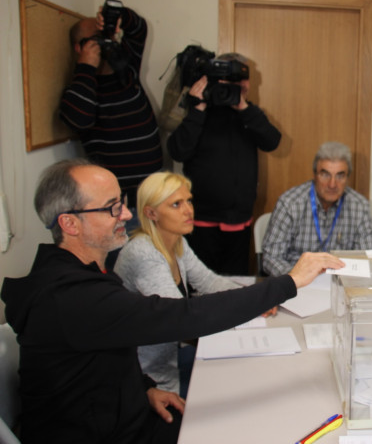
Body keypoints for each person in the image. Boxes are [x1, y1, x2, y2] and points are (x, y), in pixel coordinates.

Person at [0, 159, 343, 444]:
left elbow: (101, 357)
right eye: (112, 208)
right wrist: (289, 282)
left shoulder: (81, 274)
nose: (124, 215)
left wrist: (145, 389)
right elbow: (180, 316)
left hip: (122, 413)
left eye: (121, 203)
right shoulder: (71, 297)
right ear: (70, 223)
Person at [114, 171, 274, 399]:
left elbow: (209, 281)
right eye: (176, 204)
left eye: (188, 201)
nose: (189, 210)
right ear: (151, 213)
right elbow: (182, 320)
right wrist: (242, 310)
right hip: (148, 377)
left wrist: (255, 299)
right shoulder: (143, 253)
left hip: (171, 358)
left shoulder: (177, 242)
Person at [167, 52, 281, 276]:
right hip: (199, 221)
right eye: (232, 79)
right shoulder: (199, 112)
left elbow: (272, 141)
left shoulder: (249, 113)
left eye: (244, 78)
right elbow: (177, 151)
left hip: (238, 220)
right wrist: (197, 108)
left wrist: (244, 109)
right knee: (200, 283)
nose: (241, 85)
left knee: (234, 284)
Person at [59, 2, 163, 208]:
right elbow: (81, 120)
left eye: (107, 38)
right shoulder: (80, 87)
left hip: (154, 197)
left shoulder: (126, 69)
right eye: (97, 40)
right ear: (79, 47)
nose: (106, 44)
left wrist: (118, 16)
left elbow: (139, 29)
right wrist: (86, 67)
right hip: (118, 204)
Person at [262, 141, 372, 277]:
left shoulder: (359, 207)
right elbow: (271, 258)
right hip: (297, 285)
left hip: (340, 283)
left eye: (340, 175)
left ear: (347, 178)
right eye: (325, 174)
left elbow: (366, 258)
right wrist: (296, 279)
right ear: (315, 175)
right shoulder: (289, 203)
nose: (332, 184)